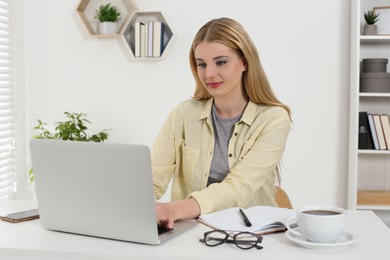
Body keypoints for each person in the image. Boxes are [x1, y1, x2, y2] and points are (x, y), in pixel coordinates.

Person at [152, 17, 291, 229]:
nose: (209, 74)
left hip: (251, 236)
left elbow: (239, 187)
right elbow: (153, 178)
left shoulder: (273, 119)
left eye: (221, 62)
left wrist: (175, 209)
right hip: (191, 234)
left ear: (244, 61)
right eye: (201, 64)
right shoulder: (183, 114)